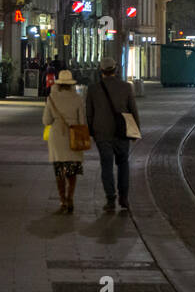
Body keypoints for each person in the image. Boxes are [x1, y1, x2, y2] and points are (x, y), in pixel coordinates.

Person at [85, 56, 141, 212]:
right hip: (122, 132)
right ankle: (124, 198)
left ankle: (110, 199)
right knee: (123, 164)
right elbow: (133, 110)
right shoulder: (126, 87)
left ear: (101, 71)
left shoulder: (93, 89)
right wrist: (136, 131)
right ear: (116, 70)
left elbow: (88, 113)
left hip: (102, 134)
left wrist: (91, 131)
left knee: (106, 165)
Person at [44, 70, 86, 214]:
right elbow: (82, 121)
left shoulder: (51, 98)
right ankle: (70, 197)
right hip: (73, 135)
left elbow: (46, 121)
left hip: (57, 136)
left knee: (59, 169)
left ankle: (62, 200)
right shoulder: (78, 99)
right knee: (71, 170)